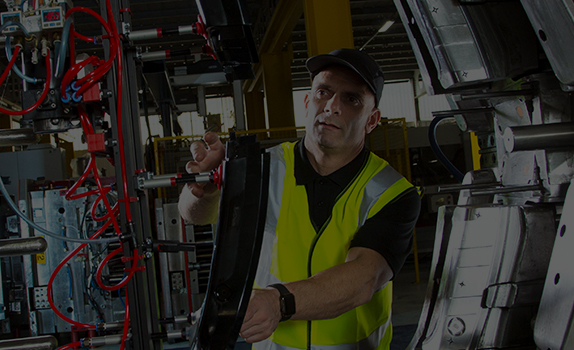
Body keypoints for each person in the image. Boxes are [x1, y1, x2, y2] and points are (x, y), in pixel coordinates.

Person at [178, 49, 422, 349]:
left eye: (351, 99)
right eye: (323, 92)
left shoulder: (391, 192)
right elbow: (196, 215)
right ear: (308, 102)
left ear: (372, 120)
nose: (332, 106)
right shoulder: (262, 169)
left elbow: (364, 278)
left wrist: (279, 302)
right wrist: (207, 189)